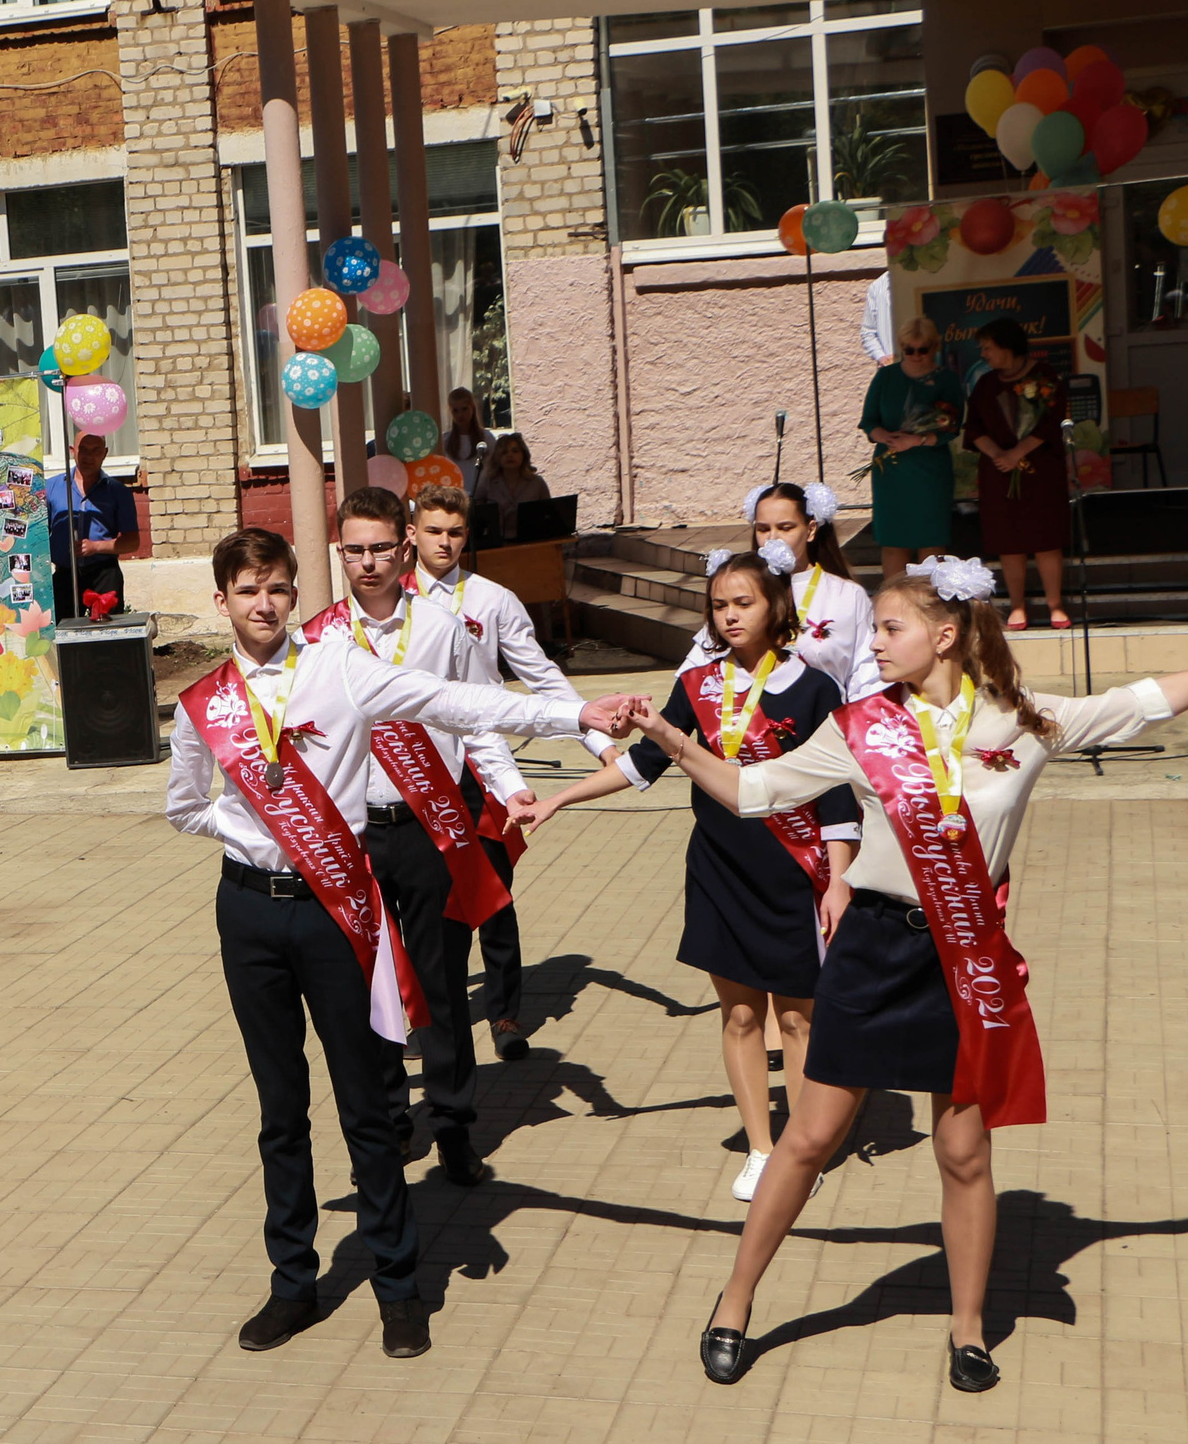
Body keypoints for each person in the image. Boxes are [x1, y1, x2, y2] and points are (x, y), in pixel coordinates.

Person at [637, 558, 1186, 1393]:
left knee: (964, 1152)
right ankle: (735, 1301)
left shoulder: (1022, 719)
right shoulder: (859, 726)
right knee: (811, 1139)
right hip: (871, 950)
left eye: (890, 629)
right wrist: (674, 740)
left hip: (962, 958)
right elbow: (752, 791)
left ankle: (969, 1330)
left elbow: (1143, 700)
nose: (875, 643)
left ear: (946, 635)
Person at [167, 527, 641, 1356]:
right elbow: (184, 807)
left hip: (331, 911)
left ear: (293, 594)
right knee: (280, 1109)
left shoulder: (339, 667)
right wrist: (254, 838)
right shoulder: (202, 703)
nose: (265, 603)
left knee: (365, 1104)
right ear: (222, 603)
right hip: (247, 915)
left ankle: (397, 1284)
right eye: (248, 591)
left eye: (278, 587)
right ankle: (294, 1283)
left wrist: (572, 713)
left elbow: (455, 701)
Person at [513, 551, 860, 1201]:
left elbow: (837, 793)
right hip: (719, 871)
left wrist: (839, 881)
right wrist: (560, 797)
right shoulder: (697, 683)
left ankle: (804, 1146)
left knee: (798, 1021)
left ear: (775, 608)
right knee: (738, 1016)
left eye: (744, 603)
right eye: (720, 605)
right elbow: (643, 764)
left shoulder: (815, 688)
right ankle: (761, 1148)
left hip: (794, 872)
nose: (730, 615)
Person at [299, 487, 531, 1185]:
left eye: (380, 548)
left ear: (405, 547)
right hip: (356, 836)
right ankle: (393, 1120)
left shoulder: (441, 628)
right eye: (354, 550)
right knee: (374, 987)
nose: (367, 563)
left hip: (432, 824)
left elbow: (477, 716)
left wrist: (510, 784)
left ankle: (456, 1124)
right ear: (340, 553)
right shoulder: (319, 637)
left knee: (438, 983)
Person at [400, 485, 617, 1060]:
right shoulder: (388, 600)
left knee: (492, 890)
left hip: (483, 766)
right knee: (424, 901)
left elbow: (542, 678)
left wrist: (599, 744)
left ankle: (504, 1014)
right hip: (411, 768)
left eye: (455, 532)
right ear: (411, 533)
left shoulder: (493, 599)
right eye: (433, 531)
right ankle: (424, 1018)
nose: (444, 543)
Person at [682, 483, 881, 702]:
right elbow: (697, 667)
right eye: (763, 529)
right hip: (746, 726)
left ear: (811, 529)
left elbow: (866, 674)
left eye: (785, 528)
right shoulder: (736, 587)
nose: (773, 538)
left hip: (826, 725)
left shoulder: (847, 595)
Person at [963, 317, 1070, 630]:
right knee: (1010, 541)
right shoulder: (986, 384)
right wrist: (999, 455)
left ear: (1007, 346)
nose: (983, 354)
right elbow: (973, 428)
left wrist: (1017, 453)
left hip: (1040, 470)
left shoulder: (1045, 376)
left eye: (987, 347)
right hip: (999, 473)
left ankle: (1055, 604)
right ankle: (1017, 605)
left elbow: (1050, 424)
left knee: (1047, 538)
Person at [858, 316, 965, 580]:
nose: (916, 355)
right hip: (892, 470)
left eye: (923, 349)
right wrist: (885, 436)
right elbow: (868, 421)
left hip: (930, 470)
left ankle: (932, 604)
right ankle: (894, 601)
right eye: (909, 350)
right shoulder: (886, 376)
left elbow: (952, 427)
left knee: (931, 539)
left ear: (934, 347)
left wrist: (917, 440)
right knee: (894, 541)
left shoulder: (947, 380)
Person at [46, 433, 139, 620]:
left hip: (104, 573)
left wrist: (96, 547)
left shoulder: (118, 492)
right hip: (65, 575)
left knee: (108, 634)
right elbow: (38, 534)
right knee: (63, 633)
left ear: (105, 453)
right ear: (73, 451)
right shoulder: (51, 488)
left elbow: (132, 542)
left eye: (96, 451)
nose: (89, 457)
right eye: (84, 450)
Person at [471, 433, 550, 530]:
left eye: (515, 451)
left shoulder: (537, 483)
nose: (510, 455)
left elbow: (549, 514)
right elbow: (476, 511)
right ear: (497, 457)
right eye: (504, 452)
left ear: (524, 455)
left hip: (532, 539)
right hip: (498, 540)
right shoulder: (487, 482)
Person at [440, 387, 495, 490]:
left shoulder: (487, 437)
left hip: (481, 496)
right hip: (455, 496)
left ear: (472, 408)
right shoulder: (445, 440)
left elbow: (496, 468)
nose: (460, 415)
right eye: (455, 411)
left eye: (464, 409)